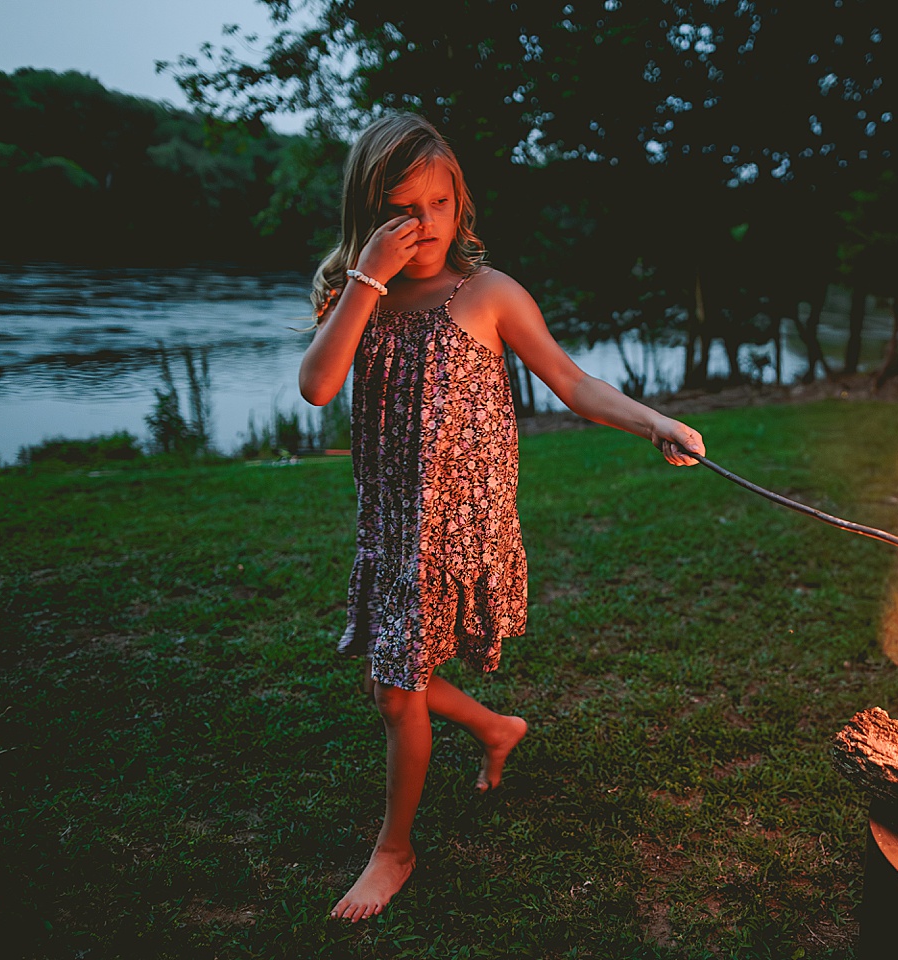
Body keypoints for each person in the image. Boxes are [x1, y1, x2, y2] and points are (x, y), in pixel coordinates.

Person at [299, 113, 706, 923]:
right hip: (392, 526)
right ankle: (497, 728)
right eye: (401, 209)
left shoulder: (487, 294)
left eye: (439, 204)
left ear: (462, 206)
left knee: (394, 690)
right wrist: (366, 279)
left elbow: (572, 381)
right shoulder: (361, 299)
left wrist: (654, 421)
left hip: (460, 524)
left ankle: (395, 850)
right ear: (368, 214)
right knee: (395, 683)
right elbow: (316, 385)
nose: (423, 226)